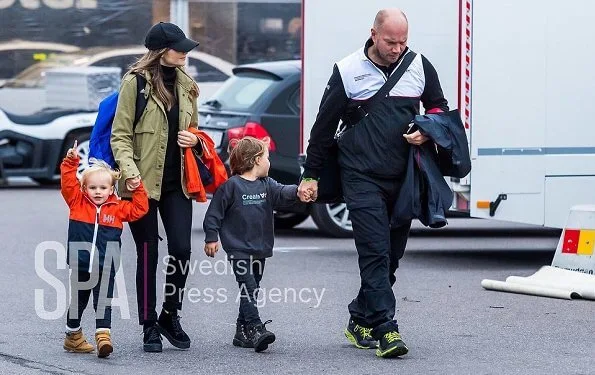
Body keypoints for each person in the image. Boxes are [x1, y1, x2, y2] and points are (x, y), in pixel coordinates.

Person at [298, 9, 449, 358]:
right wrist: (311, 174)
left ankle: (359, 318)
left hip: (404, 177)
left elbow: (439, 109)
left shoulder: (420, 66)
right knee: (374, 252)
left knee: (392, 256)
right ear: (373, 34)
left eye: (403, 42)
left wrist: (426, 130)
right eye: (390, 41)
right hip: (360, 175)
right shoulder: (348, 70)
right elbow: (323, 129)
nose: (397, 48)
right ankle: (386, 328)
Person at [110, 22, 203, 353]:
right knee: (148, 253)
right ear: (163, 50)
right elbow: (120, 135)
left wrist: (194, 138)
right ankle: (149, 325)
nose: (186, 52)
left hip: (177, 183)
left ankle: (169, 314)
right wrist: (129, 172)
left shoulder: (188, 86)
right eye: (180, 47)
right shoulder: (134, 84)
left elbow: (196, 131)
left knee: (181, 250)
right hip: (141, 185)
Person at [203, 137, 309, 352]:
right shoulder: (231, 187)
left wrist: (298, 191)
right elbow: (213, 215)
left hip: (260, 249)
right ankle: (255, 327)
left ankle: (241, 333)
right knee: (249, 287)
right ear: (256, 160)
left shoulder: (266, 184)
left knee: (251, 289)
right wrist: (211, 237)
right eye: (267, 157)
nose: (270, 162)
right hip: (238, 250)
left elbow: (282, 192)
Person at [61, 141, 148, 358]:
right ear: (84, 188)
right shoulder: (76, 202)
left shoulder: (118, 208)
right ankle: (73, 336)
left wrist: (138, 187)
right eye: (92, 188)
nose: (98, 192)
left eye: (102, 188)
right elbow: (67, 183)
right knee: (78, 300)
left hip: (106, 264)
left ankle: (103, 338)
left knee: (103, 301)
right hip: (80, 263)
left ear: (111, 189)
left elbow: (139, 208)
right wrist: (71, 161)